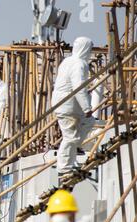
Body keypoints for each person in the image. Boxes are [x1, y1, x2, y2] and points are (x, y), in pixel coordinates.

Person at [51, 37, 96, 177]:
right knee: (70, 136)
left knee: (88, 124)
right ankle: (64, 167)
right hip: (68, 105)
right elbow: (79, 87)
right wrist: (87, 108)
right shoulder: (79, 64)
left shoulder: (67, 61)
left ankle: (71, 160)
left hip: (67, 104)